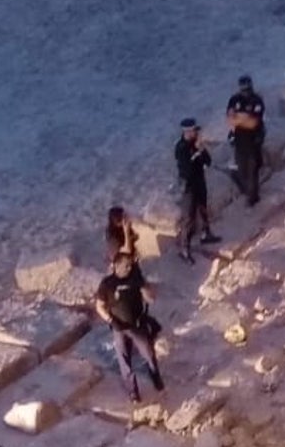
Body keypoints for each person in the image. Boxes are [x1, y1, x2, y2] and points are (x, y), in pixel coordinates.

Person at [94, 252, 164, 403]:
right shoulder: (107, 284)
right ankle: (133, 392)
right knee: (125, 361)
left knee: (148, 354)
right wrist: (111, 320)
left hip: (137, 325)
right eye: (126, 266)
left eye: (130, 265)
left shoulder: (135, 278)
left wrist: (146, 291)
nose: (129, 268)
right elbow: (99, 306)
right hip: (119, 327)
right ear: (116, 266)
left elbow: (150, 298)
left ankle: (156, 380)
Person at [174, 118, 221, 263]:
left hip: (199, 181)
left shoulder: (196, 145)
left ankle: (205, 233)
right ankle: (184, 249)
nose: (196, 133)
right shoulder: (181, 148)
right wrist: (195, 155)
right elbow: (186, 169)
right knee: (188, 218)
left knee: (203, 208)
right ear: (187, 132)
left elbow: (208, 161)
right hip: (189, 186)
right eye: (194, 131)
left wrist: (201, 149)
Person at [227, 75, 266, 206]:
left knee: (252, 169)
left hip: (254, 140)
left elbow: (254, 123)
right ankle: (247, 190)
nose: (245, 92)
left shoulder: (257, 100)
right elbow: (230, 119)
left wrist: (239, 118)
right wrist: (245, 118)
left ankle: (253, 199)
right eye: (243, 89)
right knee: (241, 169)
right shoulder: (234, 100)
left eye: (247, 88)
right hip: (239, 140)